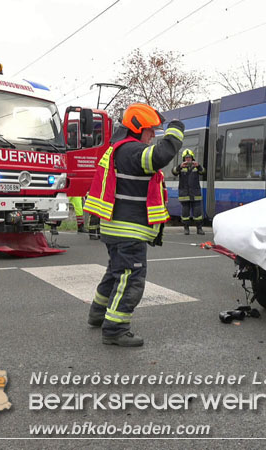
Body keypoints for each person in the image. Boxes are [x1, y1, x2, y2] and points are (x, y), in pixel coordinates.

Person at [84, 103, 183, 347]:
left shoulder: (118, 149)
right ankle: (115, 329)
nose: (153, 136)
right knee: (131, 278)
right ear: (137, 128)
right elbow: (160, 156)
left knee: (115, 274)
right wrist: (175, 131)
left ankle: (98, 313)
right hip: (129, 231)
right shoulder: (132, 150)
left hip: (116, 229)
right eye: (150, 130)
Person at [171, 148, 205, 235]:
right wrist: (179, 166)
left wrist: (199, 166)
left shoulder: (196, 167)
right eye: (186, 158)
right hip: (184, 194)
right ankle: (186, 228)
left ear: (192, 158)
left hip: (195, 194)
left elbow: (203, 172)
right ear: (184, 159)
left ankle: (199, 228)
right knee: (185, 213)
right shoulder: (181, 167)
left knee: (198, 213)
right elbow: (174, 172)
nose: (188, 159)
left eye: (189, 157)